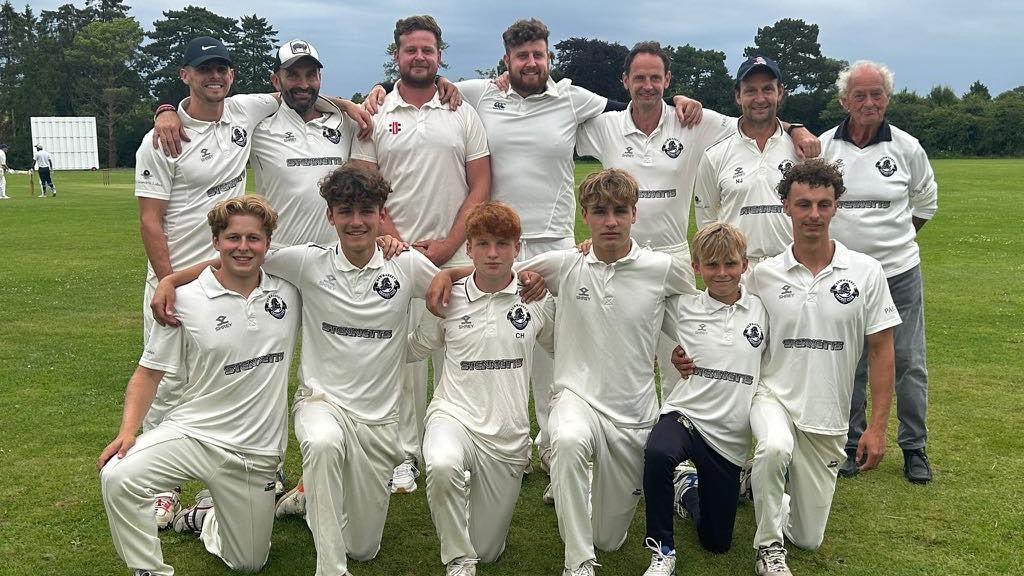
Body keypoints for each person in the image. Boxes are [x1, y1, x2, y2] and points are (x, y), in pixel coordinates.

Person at [366, 20, 704, 483]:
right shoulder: (479, 93)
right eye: (521, 56)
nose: (531, 63)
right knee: (481, 348)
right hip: (496, 247)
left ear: (549, 58)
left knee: (553, 354)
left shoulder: (572, 98)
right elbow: (424, 80)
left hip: (556, 246)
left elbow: (637, 105)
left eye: (539, 55)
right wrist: (375, 92)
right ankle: (465, 444)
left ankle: (551, 448)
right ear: (506, 60)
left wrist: (679, 100)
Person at [151, 163, 440, 576]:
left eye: (366, 211)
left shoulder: (406, 265)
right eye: (345, 211)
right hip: (321, 403)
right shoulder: (308, 262)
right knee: (321, 444)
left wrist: (414, 347)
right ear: (330, 216)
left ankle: (310, 502)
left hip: (379, 421)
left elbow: (448, 291)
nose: (356, 222)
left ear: (381, 213)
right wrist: (171, 281)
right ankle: (328, 567)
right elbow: (239, 260)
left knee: (364, 548)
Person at [429, 168, 695, 576]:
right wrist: (448, 273)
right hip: (576, 398)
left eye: (619, 211)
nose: (610, 221)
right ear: (583, 216)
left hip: (633, 412)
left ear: (634, 215)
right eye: (599, 211)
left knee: (609, 537)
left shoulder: (662, 268)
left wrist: (682, 348)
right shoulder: (564, 263)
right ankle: (578, 564)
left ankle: (585, 500)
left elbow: (696, 310)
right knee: (567, 439)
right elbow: (496, 268)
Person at [577, 47, 817, 403]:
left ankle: (678, 433)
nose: (647, 86)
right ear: (625, 81)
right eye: (639, 78)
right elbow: (555, 126)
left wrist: (796, 129)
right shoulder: (605, 126)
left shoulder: (691, 119)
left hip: (672, 257)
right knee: (617, 352)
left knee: (681, 353)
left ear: (667, 81)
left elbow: (755, 117)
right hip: (619, 258)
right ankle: (623, 435)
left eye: (655, 78)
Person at [98, 195, 301, 576]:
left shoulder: (289, 291)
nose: (243, 247)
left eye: (254, 239)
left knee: (249, 564)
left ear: (268, 244)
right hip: (195, 434)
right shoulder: (184, 300)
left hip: (255, 453)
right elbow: (148, 373)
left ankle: (204, 519)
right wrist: (127, 432)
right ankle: (149, 570)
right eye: (233, 238)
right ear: (216, 241)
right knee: (117, 476)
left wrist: (172, 275)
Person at [136, 35, 285, 528]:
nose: (215, 77)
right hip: (176, 283)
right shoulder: (162, 139)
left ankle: (223, 482)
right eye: (205, 70)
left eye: (222, 69)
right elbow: (150, 220)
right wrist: (168, 282)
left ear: (232, 75)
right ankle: (160, 488)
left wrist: (356, 101)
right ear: (186, 76)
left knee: (232, 377)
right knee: (170, 384)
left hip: (232, 274)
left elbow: (297, 91)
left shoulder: (244, 111)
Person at [351, 14, 491, 495]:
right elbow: (366, 188)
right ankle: (405, 454)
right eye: (410, 50)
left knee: (461, 355)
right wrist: (400, 242)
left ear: (439, 55)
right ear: (396, 54)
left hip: (455, 256)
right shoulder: (374, 113)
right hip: (395, 256)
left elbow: (481, 183)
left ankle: (462, 448)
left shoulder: (462, 111)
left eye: (428, 50)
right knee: (405, 361)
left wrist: (452, 242)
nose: (419, 57)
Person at [747, 159, 900, 576]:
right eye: (803, 204)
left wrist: (878, 427)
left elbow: (883, 348)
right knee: (774, 447)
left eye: (823, 204)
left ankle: (768, 488)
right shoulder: (763, 274)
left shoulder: (866, 272)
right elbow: (729, 324)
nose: (813, 214)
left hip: (826, 416)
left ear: (836, 207)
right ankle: (767, 548)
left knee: (809, 539)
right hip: (771, 396)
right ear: (786, 207)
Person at [408, 201, 554, 576]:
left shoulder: (536, 298)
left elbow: (562, 348)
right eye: (483, 244)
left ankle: (473, 524)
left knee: (488, 550)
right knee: (440, 464)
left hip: (508, 435)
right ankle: (458, 560)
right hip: (453, 415)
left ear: (517, 249)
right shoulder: (446, 296)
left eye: (502, 244)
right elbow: (415, 347)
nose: (492, 254)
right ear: (468, 247)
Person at [819, 60, 938, 483]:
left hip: (898, 272)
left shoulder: (907, 147)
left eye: (877, 95)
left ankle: (914, 446)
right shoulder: (823, 147)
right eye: (860, 95)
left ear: (887, 99)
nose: (869, 103)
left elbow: (925, 202)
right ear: (844, 101)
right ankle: (850, 444)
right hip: (844, 275)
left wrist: (894, 242)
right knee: (849, 361)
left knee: (907, 359)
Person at [640, 222, 768, 576]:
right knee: (658, 452)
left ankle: (688, 493)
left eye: (730, 264)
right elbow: (634, 282)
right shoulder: (683, 306)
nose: (722, 273)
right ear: (696, 268)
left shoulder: (763, 309)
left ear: (744, 265)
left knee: (717, 542)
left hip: (728, 437)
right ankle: (662, 550)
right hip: (686, 414)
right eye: (711, 265)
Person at [694, 56, 801, 279]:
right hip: (738, 275)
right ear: (738, 96)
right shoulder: (715, 155)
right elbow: (707, 222)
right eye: (751, 90)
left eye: (767, 89)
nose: (759, 98)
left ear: (780, 92)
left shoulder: (800, 150)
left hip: (792, 270)